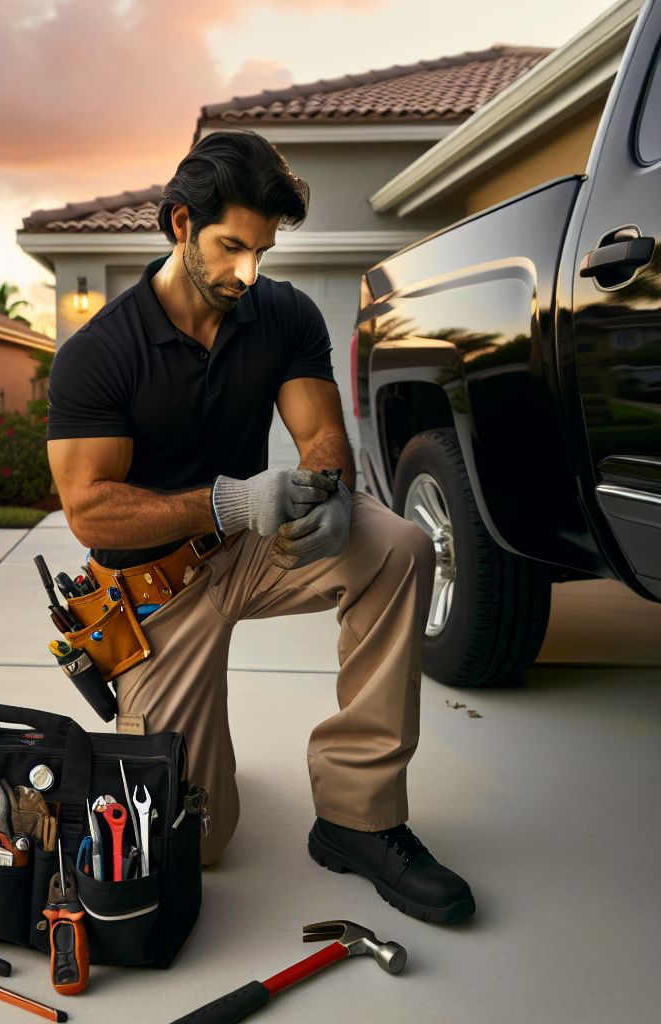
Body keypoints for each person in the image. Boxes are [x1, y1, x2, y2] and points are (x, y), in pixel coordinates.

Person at [45, 129, 475, 924]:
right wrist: (233, 500)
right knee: (200, 838)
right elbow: (88, 507)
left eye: (262, 251)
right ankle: (201, 764)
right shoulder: (100, 353)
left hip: (254, 548)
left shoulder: (282, 315)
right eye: (231, 247)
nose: (248, 272)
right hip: (154, 592)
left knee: (399, 548)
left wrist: (336, 491)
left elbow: (319, 436)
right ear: (179, 223)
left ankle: (358, 815)